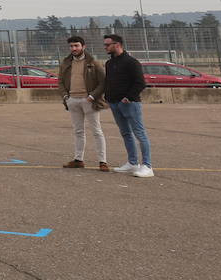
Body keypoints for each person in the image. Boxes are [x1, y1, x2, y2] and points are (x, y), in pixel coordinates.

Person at [103, 34, 152, 177]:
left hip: (130, 104)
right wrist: (108, 97)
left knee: (139, 133)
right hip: (114, 103)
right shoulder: (109, 63)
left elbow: (140, 83)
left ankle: (147, 165)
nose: (105, 47)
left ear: (117, 44)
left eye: (108, 44)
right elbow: (109, 81)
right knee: (125, 133)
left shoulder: (131, 62)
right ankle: (132, 163)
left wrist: (129, 97)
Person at [57, 36, 108, 171]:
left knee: (96, 131)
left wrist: (92, 96)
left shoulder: (94, 63)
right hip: (72, 101)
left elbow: (103, 82)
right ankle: (78, 159)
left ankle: (103, 161)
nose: (73, 48)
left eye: (76, 46)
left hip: (89, 101)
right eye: (71, 46)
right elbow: (60, 82)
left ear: (83, 47)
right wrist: (66, 97)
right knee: (78, 131)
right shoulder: (65, 63)